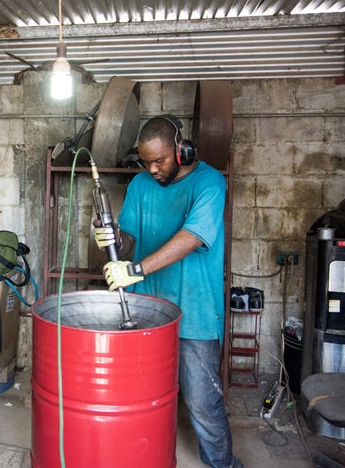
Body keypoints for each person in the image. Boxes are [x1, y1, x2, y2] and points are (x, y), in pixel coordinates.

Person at [94, 115, 244, 468]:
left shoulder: (209, 183)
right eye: (146, 162)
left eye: (159, 160)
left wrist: (136, 269)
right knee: (142, 397)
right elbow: (129, 240)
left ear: (182, 149)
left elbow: (192, 237)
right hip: (147, 313)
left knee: (203, 403)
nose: (153, 169)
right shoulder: (141, 186)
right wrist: (114, 238)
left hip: (196, 313)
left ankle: (223, 464)